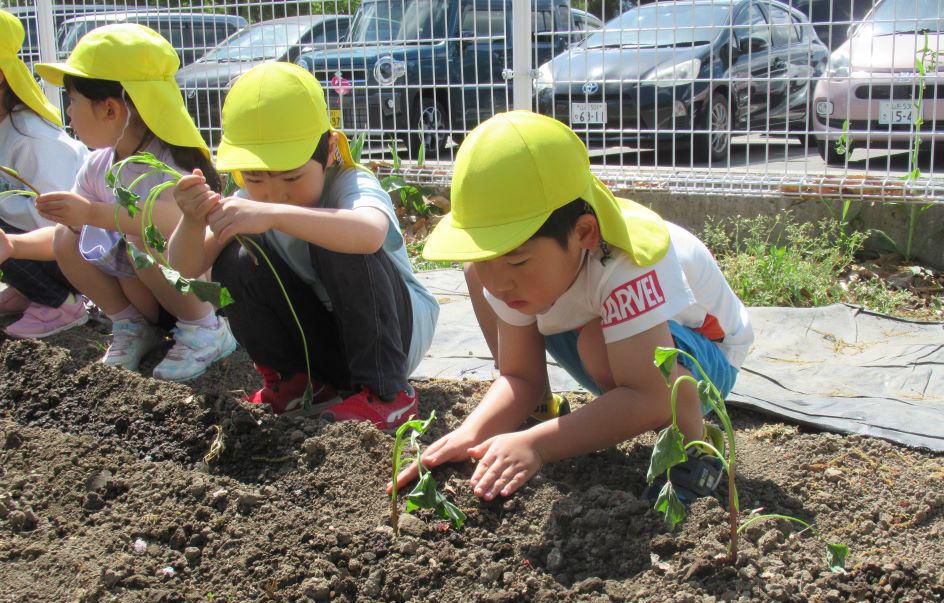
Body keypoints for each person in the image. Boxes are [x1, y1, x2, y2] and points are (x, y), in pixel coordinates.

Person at [395, 111, 754, 503]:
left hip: (705, 358)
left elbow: (648, 395)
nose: (497, 281)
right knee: (552, 318)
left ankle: (694, 449)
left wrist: (538, 446)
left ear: (583, 232)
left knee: (598, 344)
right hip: (606, 337)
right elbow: (520, 377)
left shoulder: (626, 261)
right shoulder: (509, 271)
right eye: (486, 258)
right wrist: (470, 432)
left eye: (516, 260)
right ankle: (544, 413)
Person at [169, 62, 439, 428]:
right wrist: (191, 219)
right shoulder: (249, 200)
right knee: (236, 256)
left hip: (392, 341)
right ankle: (299, 383)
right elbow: (187, 268)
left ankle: (388, 396)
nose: (274, 192)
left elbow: (369, 233)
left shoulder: (349, 183)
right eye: (255, 178)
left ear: (328, 150)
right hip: (324, 343)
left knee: (339, 239)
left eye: (292, 176)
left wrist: (274, 215)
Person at [10, 23, 236, 380]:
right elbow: (64, 234)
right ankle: (131, 326)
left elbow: (170, 218)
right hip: (148, 296)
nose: (68, 112)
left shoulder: (170, 164)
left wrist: (93, 213)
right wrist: (12, 245)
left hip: (203, 294)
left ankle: (206, 331)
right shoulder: (97, 165)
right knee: (65, 236)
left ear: (111, 109)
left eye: (73, 101)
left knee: (144, 237)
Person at [0, 9, 88, 338]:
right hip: (33, 245)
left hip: (75, 256)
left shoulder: (32, 140)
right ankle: (30, 290)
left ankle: (59, 303)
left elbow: (65, 229)